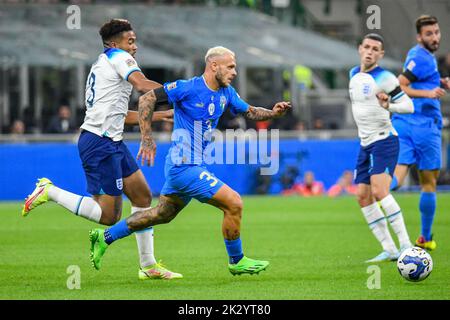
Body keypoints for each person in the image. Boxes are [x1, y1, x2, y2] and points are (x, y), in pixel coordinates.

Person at [88, 46, 291, 275]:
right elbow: (147, 99)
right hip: (184, 166)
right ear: (214, 65)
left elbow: (250, 111)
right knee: (234, 202)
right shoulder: (188, 88)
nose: (234, 72)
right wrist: (146, 138)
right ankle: (237, 260)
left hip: (187, 166)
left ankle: (105, 236)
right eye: (231, 66)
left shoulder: (227, 93)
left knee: (161, 215)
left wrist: (273, 113)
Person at [22, 19, 181, 280]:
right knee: (109, 216)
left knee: (142, 196)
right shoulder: (119, 57)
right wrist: (184, 92)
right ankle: (49, 191)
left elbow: (117, 114)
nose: (135, 47)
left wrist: (159, 116)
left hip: (112, 141)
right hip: (99, 143)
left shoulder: (101, 64)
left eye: (135, 41)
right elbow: (143, 86)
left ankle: (148, 265)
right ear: (114, 43)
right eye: (131, 41)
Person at [349, 33, 414, 263]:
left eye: (375, 49)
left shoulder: (385, 77)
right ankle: (390, 249)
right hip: (365, 143)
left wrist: (390, 105)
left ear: (381, 54)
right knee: (362, 196)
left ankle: (406, 246)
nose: (369, 51)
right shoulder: (353, 74)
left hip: (384, 140)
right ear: (359, 49)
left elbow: (409, 105)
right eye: (366, 47)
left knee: (379, 191)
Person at [390, 15, 450, 251]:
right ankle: (425, 237)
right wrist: (430, 94)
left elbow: (418, 81)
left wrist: (439, 83)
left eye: (436, 32)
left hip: (404, 123)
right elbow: (400, 84)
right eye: (429, 34)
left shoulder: (424, 57)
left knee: (397, 178)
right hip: (423, 125)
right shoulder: (419, 56)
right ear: (419, 37)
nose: (434, 37)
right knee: (429, 184)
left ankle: (377, 189)